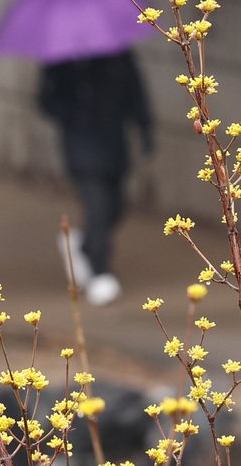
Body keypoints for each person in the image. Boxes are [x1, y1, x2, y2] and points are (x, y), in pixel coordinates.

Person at [38, 50, 154, 305]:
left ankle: (84, 247)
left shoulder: (118, 57)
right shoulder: (60, 61)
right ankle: (100, 272)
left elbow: (136, 93)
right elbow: (46, 100)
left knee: (116, 206)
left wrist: (145, 128)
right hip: (80, 145)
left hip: (113, 142)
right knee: (98, 208)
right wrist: (71, 112)